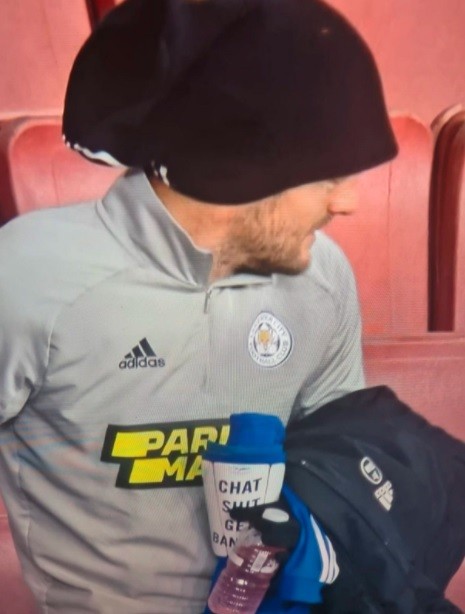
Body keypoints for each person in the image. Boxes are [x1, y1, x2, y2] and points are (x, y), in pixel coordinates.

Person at [0, 0, 397, 612]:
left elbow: (342, 484)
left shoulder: (324, 277)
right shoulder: (28, 275)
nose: (347, 203)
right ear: (236, 168)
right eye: (326, 176)